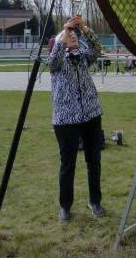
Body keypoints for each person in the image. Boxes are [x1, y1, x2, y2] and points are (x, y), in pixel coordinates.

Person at [48, 14, 105, 221]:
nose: (72, 37)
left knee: (94, 161)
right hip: (65, 120)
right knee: (68, 164)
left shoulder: (83, 56)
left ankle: (95, 201)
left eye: (73, 35)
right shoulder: (57, 61)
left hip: (91, 114)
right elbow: (51, 61)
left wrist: (85, 28)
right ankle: (65, 206)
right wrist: (63, 34)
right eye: (67, 36)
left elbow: (98, 49)